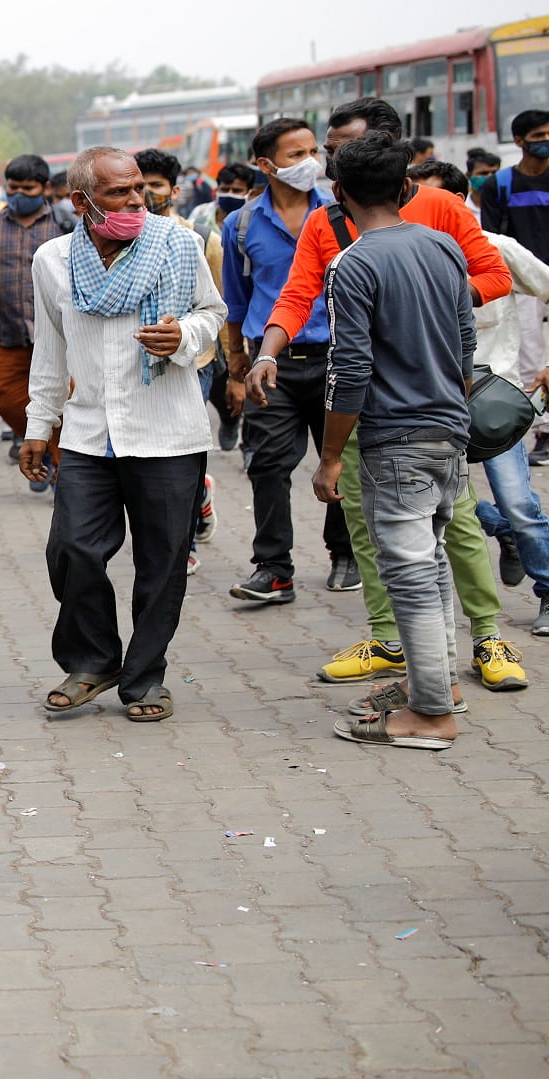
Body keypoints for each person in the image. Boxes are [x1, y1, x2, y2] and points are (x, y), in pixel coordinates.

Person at [256, 97, 524, 692]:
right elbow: (297, 295)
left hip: (423, 400)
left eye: (340, 151)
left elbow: (495, 276)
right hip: (362, 410)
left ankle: (484, 639)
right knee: (369, 527)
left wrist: (414, 305)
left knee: (453, 527)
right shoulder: (326, 223)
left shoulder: (442, 211)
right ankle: (391, 642)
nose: (330, 163)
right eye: (329, 151)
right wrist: (268, 352)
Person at [25, 148, 226, 722]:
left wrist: (184, 336)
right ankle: (94, 661)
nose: (137, 200)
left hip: (167, 431)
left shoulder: (178, 243)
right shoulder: (53, 260)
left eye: (139, 188)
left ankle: (145, 678)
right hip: (88, 430)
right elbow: (50, 347)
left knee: (161, 564)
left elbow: (212, 311)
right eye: (119, 192)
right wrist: (39, 424)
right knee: (71, 550)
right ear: (81, 202)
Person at [314, 132, 475, 751]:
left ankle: (431, 714)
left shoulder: (352, 264)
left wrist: (331, 456)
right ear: (407, 187)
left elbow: (349, 369)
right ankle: (439, 686)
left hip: (396, 439)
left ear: (339, 193)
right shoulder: (443, 245)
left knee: (408, 572)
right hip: (449, 431)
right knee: (429, 563)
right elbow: (465, 343)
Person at [221, 118, 359, 603]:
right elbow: (236, 301)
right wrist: (236, 361)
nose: (311, 163)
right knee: (267, 464)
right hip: (270, 363)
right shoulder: (241, 225)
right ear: (266, 164)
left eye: (313, 152)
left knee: (340, 460)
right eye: (296, 155)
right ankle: (274, 569)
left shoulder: (343, 214)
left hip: (338, 357)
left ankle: (345, 553)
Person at [411, 160, 549, 638]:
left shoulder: (496, 249)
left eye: (430, 197)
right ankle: (501, 532)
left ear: (458, 202)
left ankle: (547, 588)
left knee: (518, 503)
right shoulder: (402, 253)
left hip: (492, 404)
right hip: (429, 403)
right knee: (446, 505)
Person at [0, 154, 77, 485]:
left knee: (67, 402)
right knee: (5, 399)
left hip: (60, 336)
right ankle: (50, 452)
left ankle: (65, 472)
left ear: (45, 188)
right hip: (9, 335)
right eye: (13, 187)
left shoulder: (65, 225)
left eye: (28, 188)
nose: (19, 194)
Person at [136, 148, 223, 574]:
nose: (145, 194)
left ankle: (182, 545)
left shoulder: (199, 239)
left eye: (155, 185)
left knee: (179, 457)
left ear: (174, 190)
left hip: (195, 364)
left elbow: (217, 308)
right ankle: (198, 499)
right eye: (139, 185)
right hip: (141, 366)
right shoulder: (121, 239)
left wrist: (233, 364)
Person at [480, 110, 549, 466]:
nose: (545, 141)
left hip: (543, 279)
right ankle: (542, 431)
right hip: (522, 283)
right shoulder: (501, 184)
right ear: (519, 141)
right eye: (538, 136)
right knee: (529, 359)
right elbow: (491, 239)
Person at [191, 162, 262, 452]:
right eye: (225, 188)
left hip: (240, 312)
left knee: (230, 380)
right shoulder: (200, 220)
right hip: (207, 311)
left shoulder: (251, 222)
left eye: (237, 190)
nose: (230, 194)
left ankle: (233, 421)